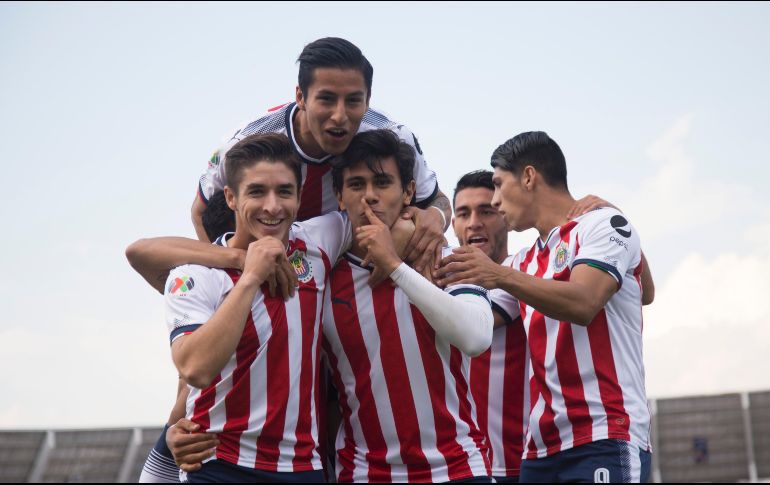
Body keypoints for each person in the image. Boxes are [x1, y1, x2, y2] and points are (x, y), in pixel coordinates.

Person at [436, 132, 653, 483]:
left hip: (603, 432)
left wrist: (498, 275)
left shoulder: (603, 224)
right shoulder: (524, 262)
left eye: (498, 184)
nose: (495, 199)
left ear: (528, 177)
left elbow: (585, 302)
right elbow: (473, 322)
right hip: (540, 449)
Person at [163, 133, 351, 482]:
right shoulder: (196, 274)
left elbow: (383, 220)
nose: (272, 206)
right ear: (231, 197)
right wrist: (249, 276)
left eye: (284, 191)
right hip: (218, 465)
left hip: (302, 469)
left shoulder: (320, 241)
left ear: (298, 194)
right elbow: (195, 368)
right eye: (256, 192)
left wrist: (430, 215)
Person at [320, 130, 494, 482]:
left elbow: (476, 337)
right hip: (364, 473)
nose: (369, 196)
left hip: (457, 467)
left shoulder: (450, 259)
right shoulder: (322, 279)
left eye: (382, 182)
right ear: (339, 196)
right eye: (356, 185)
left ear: (409, 192)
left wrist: (395, 266)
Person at [193, 37, 450, 276]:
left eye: (353, 101)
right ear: (300, 97)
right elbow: (200, 212)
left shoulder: (394, 136)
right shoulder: (244, 144)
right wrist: (225, 276)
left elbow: (437, 201)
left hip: (349, 279)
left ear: (368, 100)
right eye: (326, 99)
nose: (339, 115)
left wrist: (434, 218)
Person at [452, 170, 529, 484]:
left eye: (486, 211)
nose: (473, 222)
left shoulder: (521, 270)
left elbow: (471, 324)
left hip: (515, 465)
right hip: (460, 465)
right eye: (463, 213)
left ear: (506, 217)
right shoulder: (438, 282)